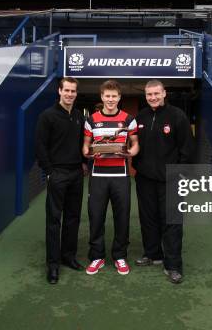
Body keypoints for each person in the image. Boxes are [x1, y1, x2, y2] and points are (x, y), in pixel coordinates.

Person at [132, 80, 193, 284]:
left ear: (164, 93)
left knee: (172, 222)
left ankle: (173, 265)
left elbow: (187, 148)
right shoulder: (140, 116)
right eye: (149, 94)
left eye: (156, 93)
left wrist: (182, 175)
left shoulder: (177, 116)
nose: (153, 97)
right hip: (145, 178)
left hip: (172, 179)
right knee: (148, 218)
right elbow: (133, 144)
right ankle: (153, 254)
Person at [82, 80, 139, 276]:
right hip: (97, 176)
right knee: (96, 217)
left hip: (121, 176)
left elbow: (135, 144)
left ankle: (120, 256)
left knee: (121, 217)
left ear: (119, 98)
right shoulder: (91, 120)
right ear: (102, 97)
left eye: (114, 96)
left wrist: (130, 152)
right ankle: (97, 256)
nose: (110, 99)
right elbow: (86, 145)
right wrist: (89, 153)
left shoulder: (128, 119)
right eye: (107, 96)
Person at [35, 77, 87, 284]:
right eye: (66, 90)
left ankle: (68, 257)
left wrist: (83, 163)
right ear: (59, 91)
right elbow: (40, 147)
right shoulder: (47, 116)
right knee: (54, 220)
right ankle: (53, 264)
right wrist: (49, 171)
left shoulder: (78, 116)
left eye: (73, 91)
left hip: (76, 174)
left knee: (73, 218)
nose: (69, 94)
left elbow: (82, 142)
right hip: (57, 174)